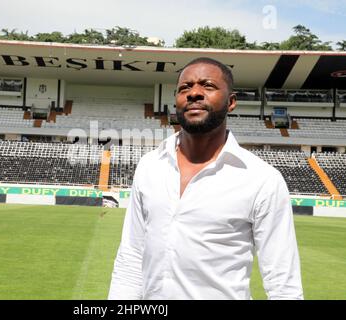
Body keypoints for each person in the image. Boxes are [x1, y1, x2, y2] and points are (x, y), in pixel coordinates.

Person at [108, 57, 303, 300]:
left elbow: (283, 283)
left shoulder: (262, 179)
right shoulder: (150, 166)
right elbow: (131, 257)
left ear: (231, 102)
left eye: (208, 86)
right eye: (184, 88)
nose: (194, 93)